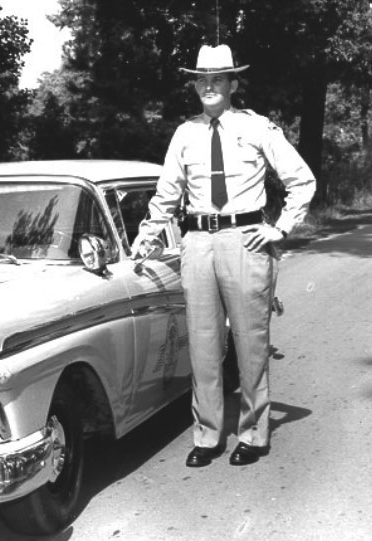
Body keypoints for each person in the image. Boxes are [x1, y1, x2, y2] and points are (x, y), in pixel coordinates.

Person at [131, 44, 315, 467]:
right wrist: (148, 234)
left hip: (244, 241)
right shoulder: (185, 133)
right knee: (203, 345)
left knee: (250, 344)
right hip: (197, 243)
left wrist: (279, 227)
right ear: (195, 85)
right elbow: (167, 194)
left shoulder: (257, 128)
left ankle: (253, 432)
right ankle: (208, 434)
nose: (209, 86)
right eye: (202, 79)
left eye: (218, 79)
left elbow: (301, 180)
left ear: (233, 84)